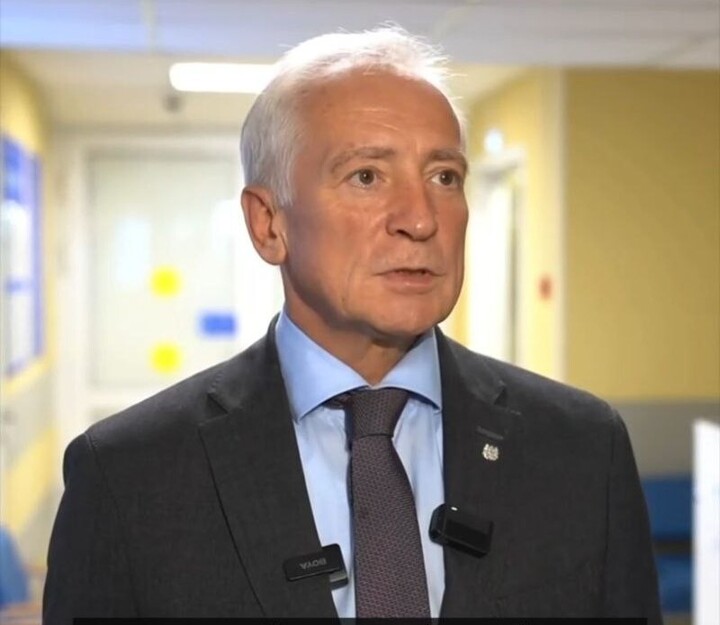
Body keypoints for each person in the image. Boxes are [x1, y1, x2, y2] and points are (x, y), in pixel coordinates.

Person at [43, 26, 662, 621]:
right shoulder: (128, 475)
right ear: (268, 224)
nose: (420, 219)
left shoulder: (583, 449)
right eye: (367, 176)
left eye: (444, 177)